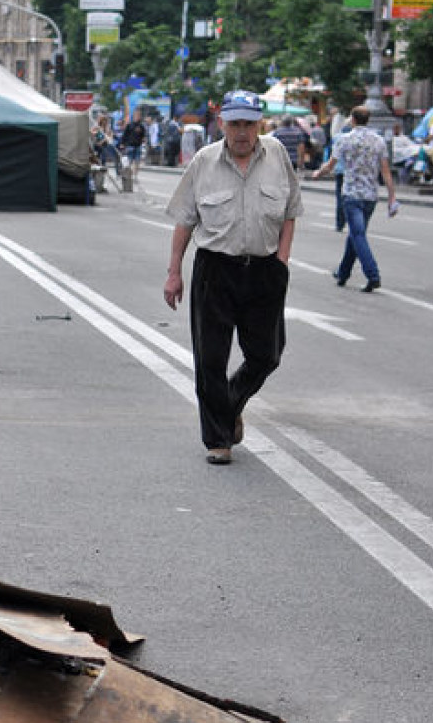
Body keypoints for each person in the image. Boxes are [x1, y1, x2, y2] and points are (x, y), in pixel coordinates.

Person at [163, 89, 301, 466]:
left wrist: (283, 259)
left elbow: (291, 210)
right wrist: (174, 272)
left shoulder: (277, 157)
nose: (242, 132)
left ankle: (230, 403)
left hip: (264, 269)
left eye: (249, 124)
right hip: (215, 269)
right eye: (235, 123)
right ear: (221, 122)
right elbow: (185, 222)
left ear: (260, 124)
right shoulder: (204, 162)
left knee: (267, 355)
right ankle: (218, 439)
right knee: (211, 357)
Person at [309, 105, 395, 293]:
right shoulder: (379, 141)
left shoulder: (344, 140)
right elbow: (386, 172)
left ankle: (373, 275)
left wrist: (317, 173)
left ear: (353, 119)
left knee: (357, 235)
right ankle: (343, 273)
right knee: (356, 234)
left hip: (352, 194)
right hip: (371, 195)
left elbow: (330, 165)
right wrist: (392, 198)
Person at [119, 109, 146, 176]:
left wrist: (143, 141)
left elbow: (143, 135)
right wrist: (122, 144)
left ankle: (135, 175)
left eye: (139, 115)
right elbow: (125, 135)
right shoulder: (129, 125)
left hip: (138, 146)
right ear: (134, 116)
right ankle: (128, 174)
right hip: (130, 146)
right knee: (129, 161)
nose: (138, 117)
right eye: (136, 115)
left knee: (137, 162)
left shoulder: (141, 126)